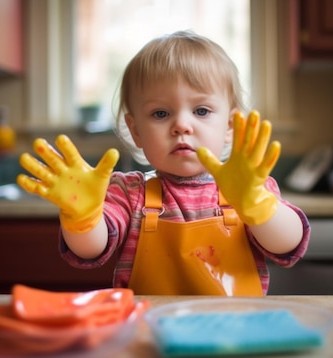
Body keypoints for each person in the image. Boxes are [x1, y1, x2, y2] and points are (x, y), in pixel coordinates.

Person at [17, 30, 310, 296]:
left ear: (230, 125)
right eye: (160, 114)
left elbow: (288, 245)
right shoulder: (129, 193)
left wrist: (258, 205)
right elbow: (92, 250)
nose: (182, 125)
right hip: (150, 333)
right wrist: (82, 218)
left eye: (202, 110)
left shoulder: (249, 187)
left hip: (235, 334)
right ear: (135, 131)